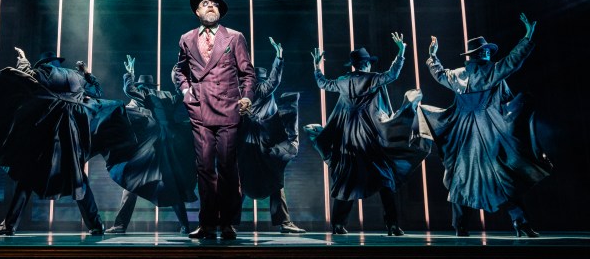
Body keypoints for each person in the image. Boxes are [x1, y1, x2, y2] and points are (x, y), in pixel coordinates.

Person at [0, 48, 135, 236]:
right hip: (73, 131)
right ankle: (95, 225)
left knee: (28, 176)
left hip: (48, 132)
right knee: (76, 176)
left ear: (43, 64)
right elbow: (97, 91)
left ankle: (9, 225)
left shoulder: (41, 73)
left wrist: (24, 60)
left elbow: (24, 77)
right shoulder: (75, 76)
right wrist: (87, 73)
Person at [418, 13, 552, 237]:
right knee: (500, 176)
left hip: (464, 136)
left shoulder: (457, 75)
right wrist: (527, 37)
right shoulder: (491, 71)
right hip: (488, 133)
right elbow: (512, 61)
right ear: (478, 54)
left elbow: (439, 74)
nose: (489, 54)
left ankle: (462, 226)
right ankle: (520, 223)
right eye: (486, 51)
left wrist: (432, 56)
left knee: (461, 178)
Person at [305, 32, 428, 236]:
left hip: (348, 136)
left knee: (347, 178)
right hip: (369, 135)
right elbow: (392, 74)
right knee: (385, 177)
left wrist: (317, 66)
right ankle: (392, 225)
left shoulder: (343, 81)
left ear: (354, 65)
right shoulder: (373, 79)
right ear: (367, 64)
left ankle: (337, 224)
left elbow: (322, 84)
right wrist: (402, 52)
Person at [173, 0, 256, 240]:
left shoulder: (234, 37)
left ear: (219, 12)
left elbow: (248, 73)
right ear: (197, 12)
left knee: (228, 168)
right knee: (204, 168)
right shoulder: (186, 38)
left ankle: (229, 223)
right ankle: (207, 223)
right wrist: (187, 93)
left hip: (229, 109)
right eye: (205, 4)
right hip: (199, 110)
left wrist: (247, 97)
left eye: (214, 4)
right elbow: (179, 71)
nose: (210, 7)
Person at [105, 56, 196, 235]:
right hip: (166, 148)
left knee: (135, 183)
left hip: (153, 149)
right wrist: (183, 80)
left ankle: (121, 225)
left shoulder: (145, 95)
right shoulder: (168, 96)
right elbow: (182, 96)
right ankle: (185, 225)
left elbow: (129, 89)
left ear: (142, 88)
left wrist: (129, 75)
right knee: (167, 185)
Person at [235, 37, 305, 234]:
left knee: (246, 182)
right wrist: (279, 57)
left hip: (251, 145)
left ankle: (230, 223)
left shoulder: (241, 92)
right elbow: (274, 80)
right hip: (261, 145)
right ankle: (284, 222)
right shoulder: (260, 88)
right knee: (271, 181)